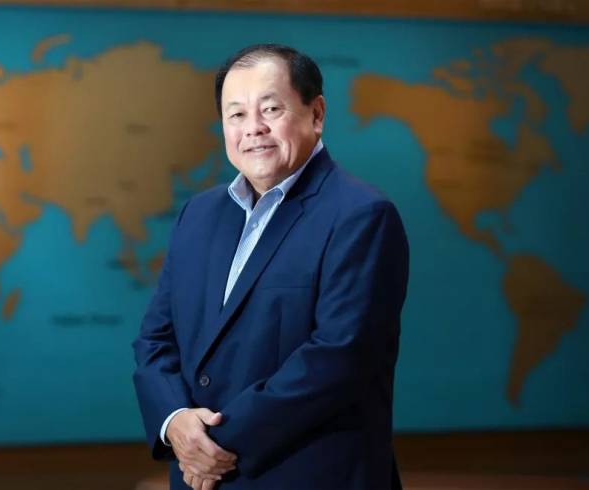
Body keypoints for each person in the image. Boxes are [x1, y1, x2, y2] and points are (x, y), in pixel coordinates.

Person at [132, 44, 409, 490]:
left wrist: (211, 447)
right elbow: (156, 338)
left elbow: (339, 357)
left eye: (271, 109)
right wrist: (175, 421)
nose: (253, 128)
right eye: (236, 114)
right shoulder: (198, 214)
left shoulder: (361, 216)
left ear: (316, 114)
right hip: (198, 474)